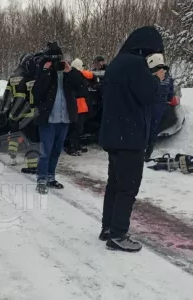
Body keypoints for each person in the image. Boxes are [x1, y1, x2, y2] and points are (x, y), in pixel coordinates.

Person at [99, 26, 166, 252]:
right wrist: (156, 79)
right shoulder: (137, 65)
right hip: (130, 136)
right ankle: (118, 234)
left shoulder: (116, 63)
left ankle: (108, 227)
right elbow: (148, 96)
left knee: (115, 185)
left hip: (113, 134)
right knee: (128, 188)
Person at [32, 42, 83, 194]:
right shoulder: (44, 72)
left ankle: (50, 177)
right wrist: (46, 72)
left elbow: (82, 87)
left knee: (56, 151)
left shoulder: (68, 73)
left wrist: (70, 71)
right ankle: (41, 178)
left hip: (65, 119)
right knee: (46, 151)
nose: (57, 62)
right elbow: (36, 94)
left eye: (58, 58)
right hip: (48, 119)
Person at [8, 54, 40, 174]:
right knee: (33, 138)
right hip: (34, 112)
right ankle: (34, 163)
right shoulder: (37, 77)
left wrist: (10, 111)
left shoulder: (15, 77)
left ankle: (13, 155)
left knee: (15, 132)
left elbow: (10, 95)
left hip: (19, 110)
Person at [145, 53, 174, 160]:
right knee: (153, 129)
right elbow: (171, 94)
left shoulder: (149, 74)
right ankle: (147, 153)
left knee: (145, 127)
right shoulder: (168, 76)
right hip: (160, 104)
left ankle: (142, 152)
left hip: (149, 103)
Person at [67, 58, 93, 156]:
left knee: (78, 128)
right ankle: (73, 147)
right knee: (76, 128)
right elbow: (89, 75)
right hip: (79, 105)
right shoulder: (78, 76)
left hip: (80, 105)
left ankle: (76, 145)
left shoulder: (74, 75)